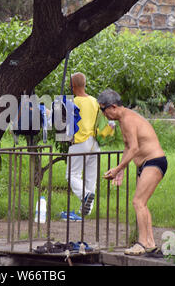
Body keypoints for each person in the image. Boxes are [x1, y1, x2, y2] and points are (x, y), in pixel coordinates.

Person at [98, 89, 167, 257]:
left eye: (103, 110)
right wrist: (121, 169)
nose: (103, 114)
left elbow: (135, 148)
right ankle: (149, 243)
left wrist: (117, 168)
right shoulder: (123, 118)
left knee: (138, 202)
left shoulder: (128, 119)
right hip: (144, 164)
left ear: (113, 107)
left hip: (154, 161)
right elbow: (128, 146)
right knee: (141, 203)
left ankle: (142, 244)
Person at [62, 72, 104, 220]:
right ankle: (85, 210)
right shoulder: (94, 101)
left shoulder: (73, 102)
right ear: (84, 84)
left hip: (80, 141)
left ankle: (85, 196)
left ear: (72, 86)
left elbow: (64, 122)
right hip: (95, 142)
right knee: (90, 178)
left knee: (71, 175)